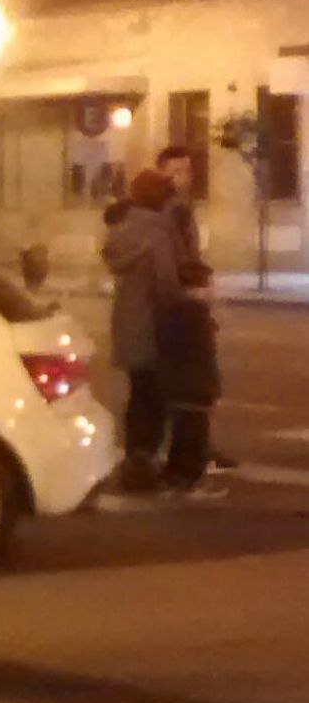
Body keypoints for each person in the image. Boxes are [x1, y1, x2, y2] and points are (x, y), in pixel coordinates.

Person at [156, 145, 238, 473]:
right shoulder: (170, 211)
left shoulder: (178, 209)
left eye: (187, 171)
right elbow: (178, 260)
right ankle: (186, 457)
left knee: (187, 385)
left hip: (186, 299)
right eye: (175, 172)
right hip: (182, 303)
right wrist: (196, 290)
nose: (183, 178)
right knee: (190, 386)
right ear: (161, 173)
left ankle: (196, 449)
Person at [103, 170, 186, 492]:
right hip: (155, 326)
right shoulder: (158, 232)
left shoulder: (123, 230)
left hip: (129, 323)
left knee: (139, 395)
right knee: (156, 399)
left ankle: (134, 460)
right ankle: (145, 465)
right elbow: (167, 285)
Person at [156, 261, 226, 498]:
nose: (214, 289)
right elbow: (204, 359)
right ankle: (190, 481)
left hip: (177, 386)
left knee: (182, 433)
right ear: (201, 287)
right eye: (211, 284)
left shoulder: (174, 311)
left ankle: (175, 476)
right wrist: (213, 389)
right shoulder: (196, 316)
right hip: (194, 387)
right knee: (195, 436)